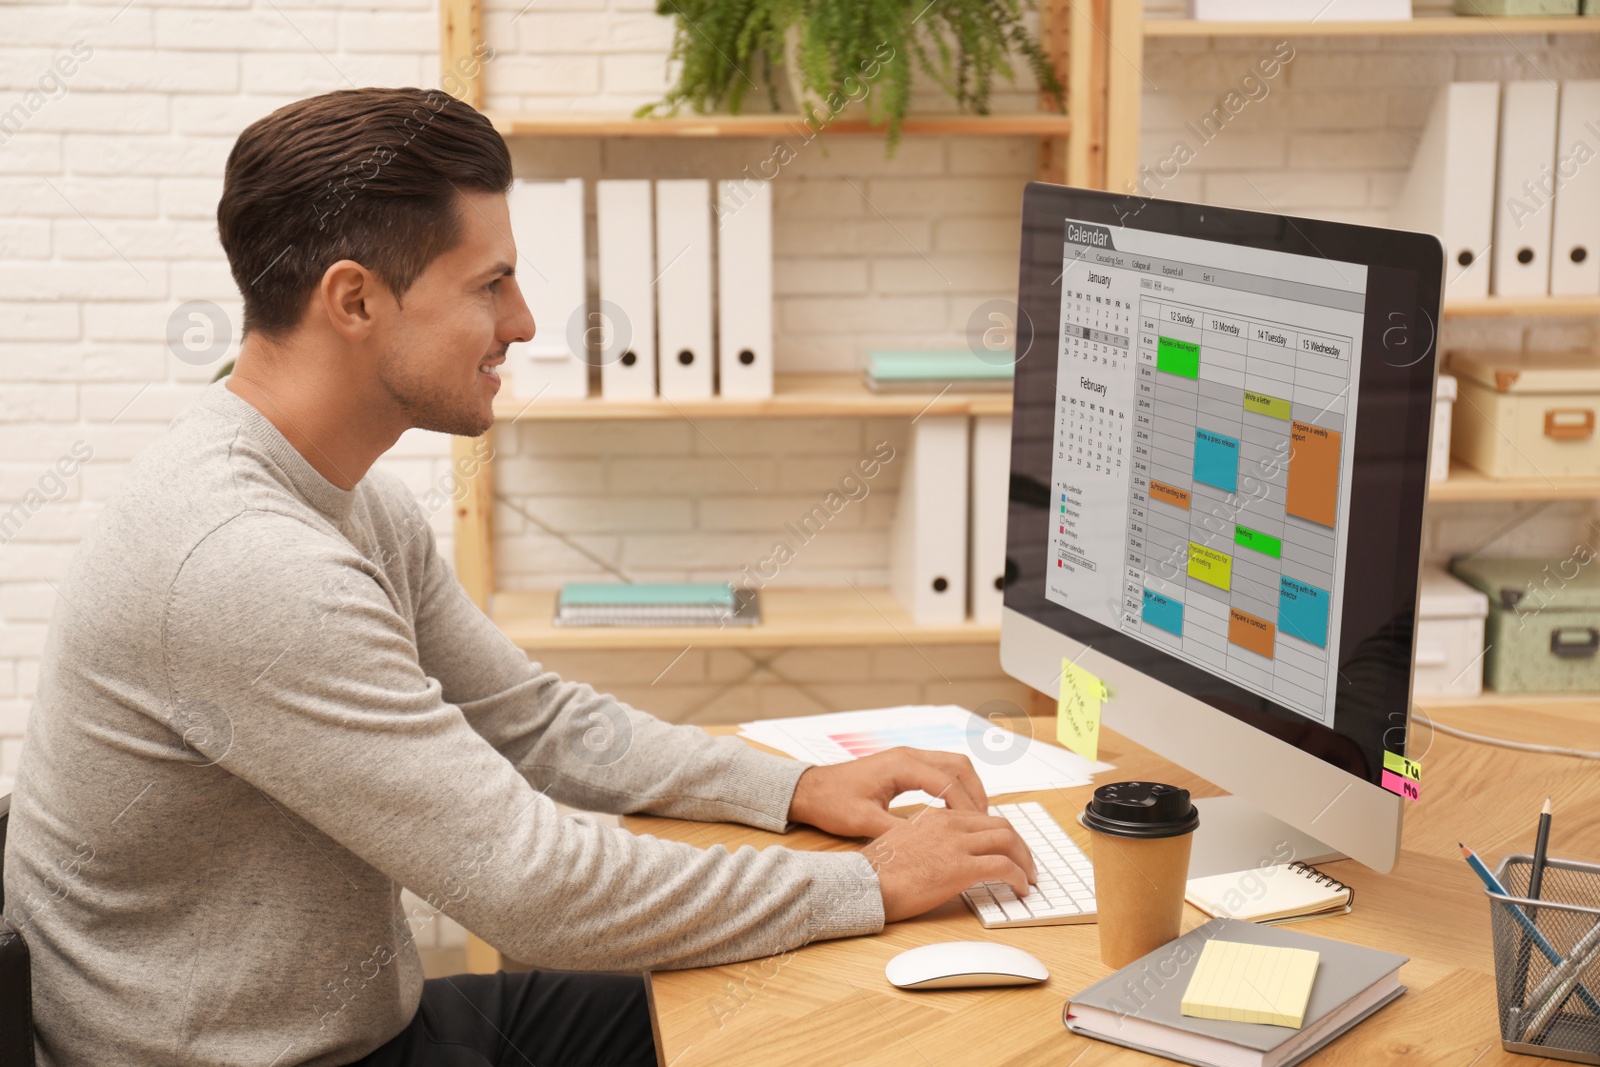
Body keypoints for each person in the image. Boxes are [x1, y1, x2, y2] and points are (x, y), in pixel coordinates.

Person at [2, 87, 1035, 1067]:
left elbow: (532, 720)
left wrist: (796, 787)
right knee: (806, 1017)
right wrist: (863, 880)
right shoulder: (245, 563)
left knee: (809, 1002)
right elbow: (530, 885)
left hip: (349, 1028)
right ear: (354, 299)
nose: (527, 322)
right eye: (490, 283)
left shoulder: (347, 502)